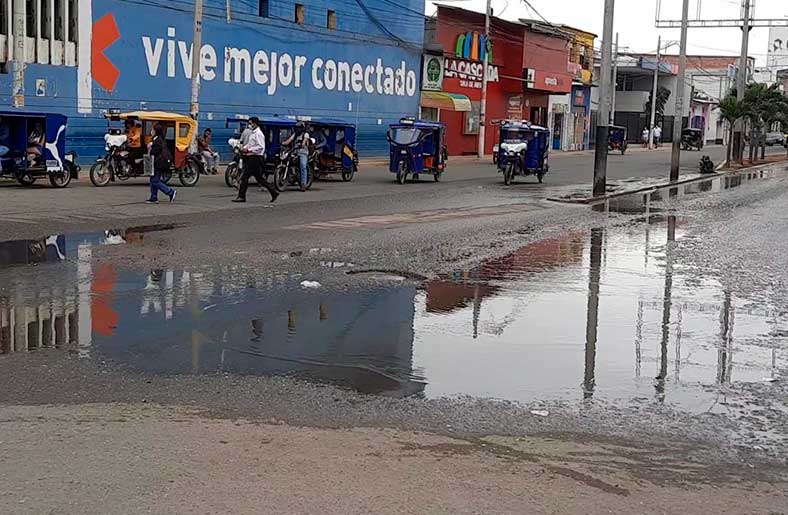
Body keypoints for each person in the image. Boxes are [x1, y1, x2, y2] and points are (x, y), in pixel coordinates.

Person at [233, 116, 278, 203]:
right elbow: (250, 144)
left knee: (245, 176)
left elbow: (261, 147)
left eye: (251, 123)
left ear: (255, 123)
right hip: (251, 156)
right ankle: (274, 192)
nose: (250, 125)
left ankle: (241, 196)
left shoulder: (258, 134)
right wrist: (243, 148)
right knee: (259, 178)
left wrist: (249, 150)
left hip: (256, 157)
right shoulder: (253, 133)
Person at [146, 122, 177, 204]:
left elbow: (155, 151)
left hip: (159, 163)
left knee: (155, 181)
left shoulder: (157, 140)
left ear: (155, 130)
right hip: (158, 162)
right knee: (153, 180)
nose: (151, 130)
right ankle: (154, 197)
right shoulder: (158, 138)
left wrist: (150, 147)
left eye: (152, 129)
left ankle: (170, 192)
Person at [283, 122, 312, 192]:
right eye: (296, 128)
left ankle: (303, 184)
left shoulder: (305, 134)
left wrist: (302, 144)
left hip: (303, 153)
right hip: (295, 152)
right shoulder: (295, 134)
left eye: (299, 128)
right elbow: (289, 140)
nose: (297, 129)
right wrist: (283, 143)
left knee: (303, 166)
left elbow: (304, 141)